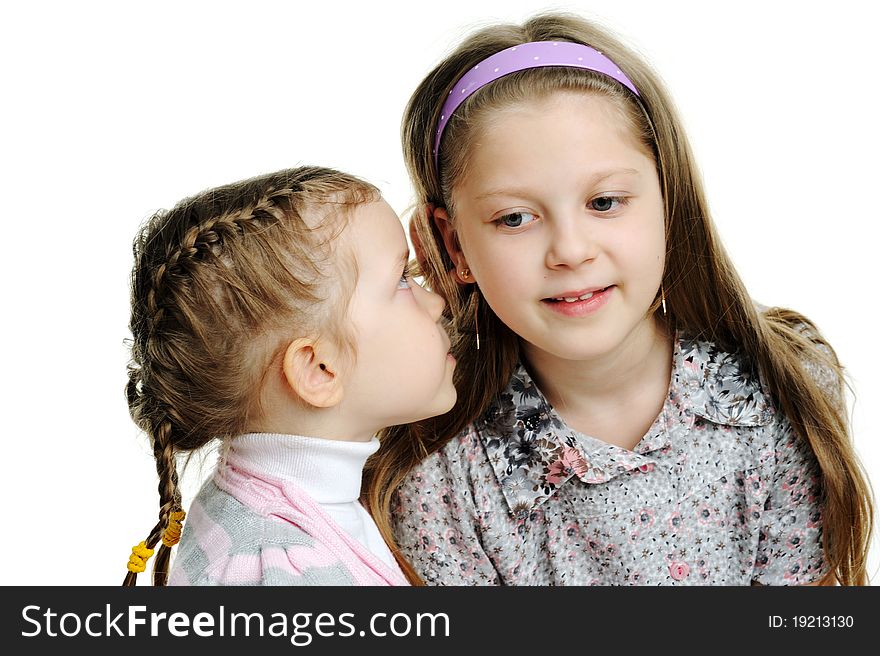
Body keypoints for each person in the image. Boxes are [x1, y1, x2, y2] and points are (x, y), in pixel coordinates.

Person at [363, 12, 874, 585]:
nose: (571, 250)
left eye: (604, 202)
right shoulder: (437, 476)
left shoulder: (775, 394)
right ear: (455, 245)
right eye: (514, 217)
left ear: (667, 200)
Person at [123, 166, 456, 586]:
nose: (437, 303)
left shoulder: (257, 507)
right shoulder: (285, 573)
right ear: (319, 369)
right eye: (403, 281)